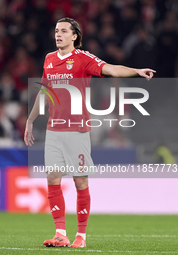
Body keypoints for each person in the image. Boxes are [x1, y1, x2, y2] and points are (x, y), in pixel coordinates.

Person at [24, 18, 155, 248]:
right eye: (56, 30)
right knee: (53, 178)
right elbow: (43, 93)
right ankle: (60, 233)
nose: (59, 34)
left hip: (77, 130)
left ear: (75, 36)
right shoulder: (49, 59)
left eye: (64, 31)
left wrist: (136, 71)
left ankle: (81, 237)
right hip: (54, 129)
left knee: (80, 181)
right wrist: (30, 120)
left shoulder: (83, 58)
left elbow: (111, 68)